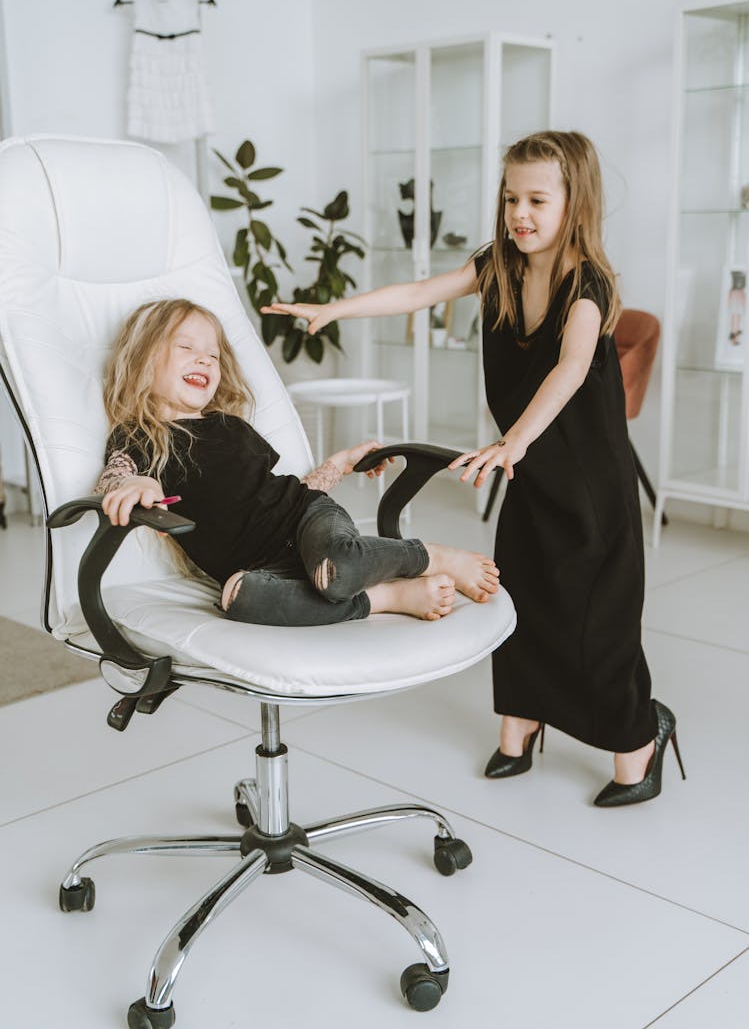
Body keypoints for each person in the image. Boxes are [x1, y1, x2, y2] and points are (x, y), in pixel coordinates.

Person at [265, 130, 686, 807]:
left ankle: (640, 737)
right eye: (512, 197)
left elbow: (571, 368)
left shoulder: (590, 286)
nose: (521, 213)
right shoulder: (499, 265)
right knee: (522, 595)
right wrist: (334, 309)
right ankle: (520, 725)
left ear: (573, 202)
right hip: (530, 470)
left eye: (537, 200)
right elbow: (420, 291)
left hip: (588, 481)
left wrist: (514, 440)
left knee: (596, 615)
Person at [94, 298, 500, 629]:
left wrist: (337, 466)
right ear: (144, 360)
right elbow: (113, 476)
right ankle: (384, 598)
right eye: (186, 348)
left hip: (307, 519)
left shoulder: (229, 426)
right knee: (238, 597)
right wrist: (135, 486)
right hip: (261, 568)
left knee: (338, 564)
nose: (203, 360)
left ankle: (432, 557)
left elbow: (286, 490)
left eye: (213, 355)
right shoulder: (139, 437)